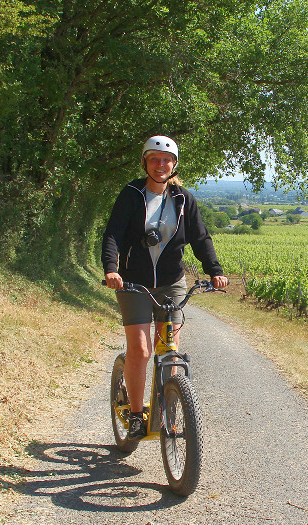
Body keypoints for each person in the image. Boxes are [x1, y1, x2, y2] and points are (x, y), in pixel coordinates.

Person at [102, 135, 228, 439]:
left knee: (170, 351)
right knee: (142, 351)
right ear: (145, 162)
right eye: (155, 159)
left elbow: (200, 238)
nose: (161, 164)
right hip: (134, 283)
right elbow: (113, 235)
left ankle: (169, 413)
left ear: (174, 164)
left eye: (167, 160)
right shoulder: (132, 194)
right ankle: (135, 415)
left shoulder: (184, 199)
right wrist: (111, 269)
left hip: (172, 284)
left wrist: (215, 271)